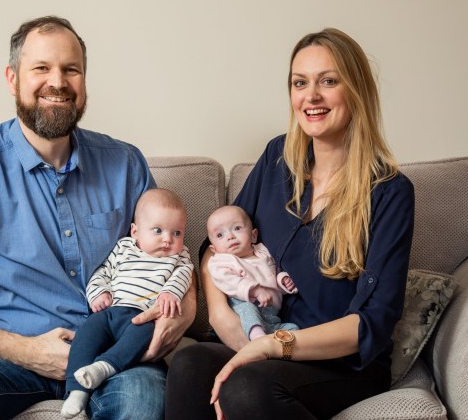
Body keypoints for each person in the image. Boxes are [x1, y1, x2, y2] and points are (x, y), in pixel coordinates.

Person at [0, 15, 196, 420]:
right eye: (41, 69)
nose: (58, 82)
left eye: (71, 69)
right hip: (13, 356)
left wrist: (182, 316)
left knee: (144, 401)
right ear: (13, 79)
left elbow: (175, 256)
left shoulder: (126, 165)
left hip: (116, 352)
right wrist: (26, 350)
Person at [165, 27, 415, 420]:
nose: (311, 96)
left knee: (247, 388)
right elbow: (215, 247)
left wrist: (271, 346)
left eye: (328, 81)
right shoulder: (276, 158)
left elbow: (371, 324)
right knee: (191, 363)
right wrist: (220, 315)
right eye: (300, 83)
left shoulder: (390, 192)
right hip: (260, 337)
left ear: (356, 90)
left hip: (335, 364)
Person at [62, 188, 194, 418]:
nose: (167, 239)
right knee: (86, 334)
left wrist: (170, 294)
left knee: (142, 337)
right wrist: (98, 294)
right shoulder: (123, 248)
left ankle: (104, 367)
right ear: (135, 231)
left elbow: (184, 274)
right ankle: (77, 391)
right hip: (111, 312)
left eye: (177, 232)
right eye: (158, 230)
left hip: (143, 317)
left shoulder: (179, 255)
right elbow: (102, 273)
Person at [206, 205, 298, 341]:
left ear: (253, 235)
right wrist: (255, 290)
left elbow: (273, 273)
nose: (230, 236)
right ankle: (258, 341)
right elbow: (226, 280)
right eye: (220, 235)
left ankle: (279, 352)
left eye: (237, 228)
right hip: (241, 310)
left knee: (293, 329)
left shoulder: (263, 253)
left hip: (272, 317)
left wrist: (283, 280)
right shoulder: (221, 261)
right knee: (248, 309)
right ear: (214, 249)